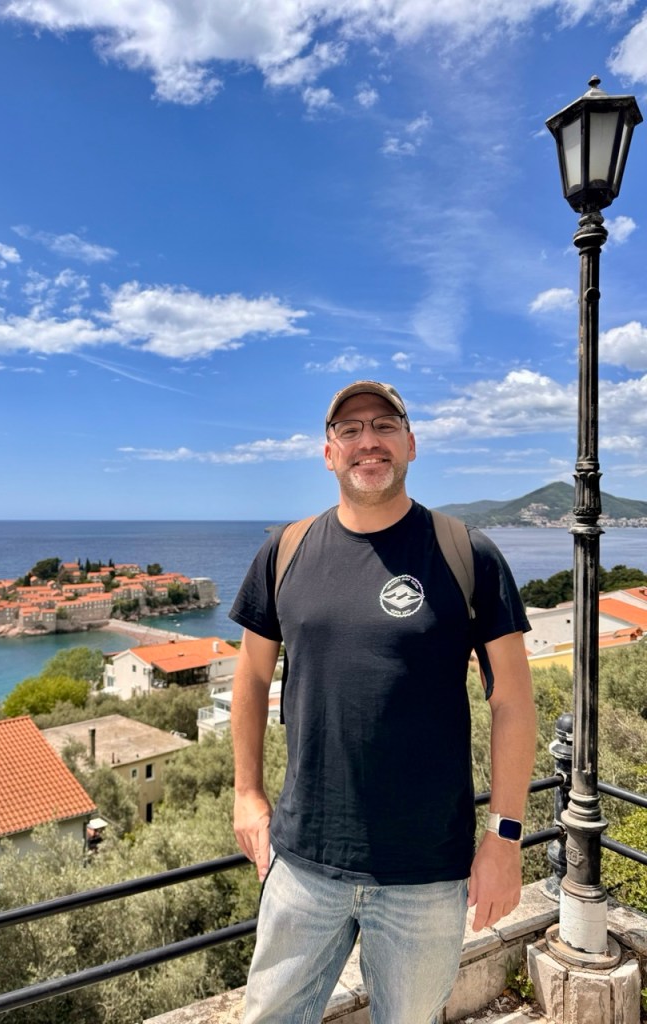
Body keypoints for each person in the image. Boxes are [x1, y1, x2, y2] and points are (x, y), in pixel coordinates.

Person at [229, 380, 537, 1024]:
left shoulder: (467, 553)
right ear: (329, 453)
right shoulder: (285, 551)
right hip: (303, 862)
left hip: (427, 872)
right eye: (350, 429)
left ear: (411, 444)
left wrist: (504, 838)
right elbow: (252, 677)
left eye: (384, 425)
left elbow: (511, 699)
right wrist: (247, 794)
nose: (368, 441)